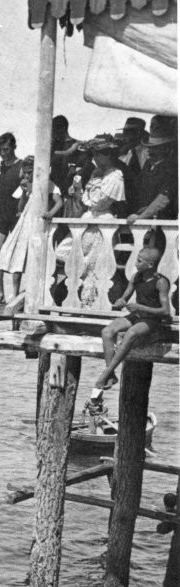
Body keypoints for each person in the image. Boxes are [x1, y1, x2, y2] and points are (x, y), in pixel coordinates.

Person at [92, 247, 171, 393]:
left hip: (153, 320)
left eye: (139, 261)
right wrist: (120, 301)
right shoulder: (136, 277)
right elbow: (124, 297)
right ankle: (111, 375)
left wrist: (140, 307)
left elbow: (165, 311)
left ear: (150, 265)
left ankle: (105, 374)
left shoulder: (161, 282)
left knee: (131, 333)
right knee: (107, 331)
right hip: (137, 316)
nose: (135, 263)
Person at [0, 156, 63, 297]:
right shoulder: (27, 184)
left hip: (37, 223)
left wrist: (50, 213)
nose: (27, 175)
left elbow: (59, 202)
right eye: (25, 172)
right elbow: (20, 206)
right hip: (24, 223)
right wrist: (24, 193)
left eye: (29, 172)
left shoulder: (48, 184)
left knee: (34, 258)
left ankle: (36, 290)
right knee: (16, 257)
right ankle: (14, 293)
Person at [0, 133, 24, 305]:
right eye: (0, 150)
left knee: (17, 255)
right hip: (2, 214)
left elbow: (27, 192)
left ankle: (15, 292)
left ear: (13, 148)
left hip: (17, 213)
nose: (3, 153)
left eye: (6, 150)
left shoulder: (23, 165)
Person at [127, 115, 178, 224]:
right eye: (149, 147)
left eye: (155, 147)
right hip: (148, 217)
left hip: (165, 220)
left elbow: (163, 199)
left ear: (167, 148)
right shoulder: (148, 164)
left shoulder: (172, 168)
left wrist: (141, 217)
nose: (150, 151)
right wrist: (146, 209)